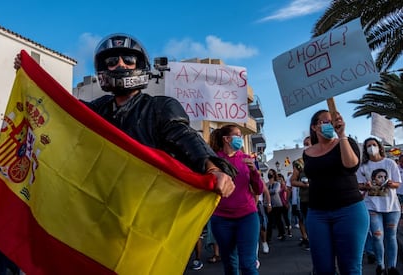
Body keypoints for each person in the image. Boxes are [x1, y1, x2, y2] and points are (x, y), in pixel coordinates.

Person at [14, 33, 236, 197]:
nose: (120, 64)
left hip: (149, 203)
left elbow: (186, 136)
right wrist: (32, 77)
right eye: (111, 61)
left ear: (140, 66)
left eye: (128, 60)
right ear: (103, 69)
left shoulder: (161, 107)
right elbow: (64, 109)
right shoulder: (97, 109)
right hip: (103, 203)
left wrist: (214, 169)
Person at [303, 109, 369, 274]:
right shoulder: (307, 153)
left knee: (350, 268)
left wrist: (342, 135)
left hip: (349, 210)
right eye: (325, 121)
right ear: (315, 127)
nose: (330, 124)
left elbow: (351, 165)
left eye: (332, 121)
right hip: (317, 213)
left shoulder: (346, 142)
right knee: (322, 268)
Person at [208, 124, 264, 275]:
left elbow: (258, 189)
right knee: (230, 265)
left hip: (247, 217)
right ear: (226, 139)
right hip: (221, 219)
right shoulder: (213, 160)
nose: (240, 139)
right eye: (237, 135)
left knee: (248, 264)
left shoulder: (247, 159)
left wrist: (254, 172)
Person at [356, 137, 401, 275]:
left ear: (379, 147)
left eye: (374, 145)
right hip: (372, 206)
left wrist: (389, 183)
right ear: (365, 149)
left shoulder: (390, 163)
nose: (371, 147)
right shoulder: (363, 167)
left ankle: (392, 267)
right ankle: (380, 266)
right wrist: (366, 186)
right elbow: (359, 185)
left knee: (391, 236)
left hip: (392, 207)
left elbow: (397, 183)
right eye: (368, 145)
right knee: (377, 235)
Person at [266, 169, 286, 242]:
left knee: (278, 220)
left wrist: (267, 191)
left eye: (270, 173)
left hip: (277, 204)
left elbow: (275, 191)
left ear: (274, 175)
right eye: (268, 173)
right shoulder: (266, 184)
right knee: (270, 221)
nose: (269, 175)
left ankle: (282, 234)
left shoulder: (277, 184)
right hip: (269, 204)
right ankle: (268, 237)